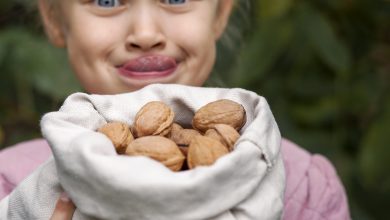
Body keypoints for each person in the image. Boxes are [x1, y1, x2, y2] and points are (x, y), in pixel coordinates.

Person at [0, 0, 351, 219]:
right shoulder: (10, 188)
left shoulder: (306, 192)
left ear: (220, 13)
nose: (146, 33)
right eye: (106, 1)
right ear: (54, 18)